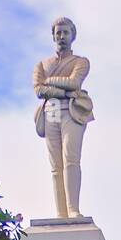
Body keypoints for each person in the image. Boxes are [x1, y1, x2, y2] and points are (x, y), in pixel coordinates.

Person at [33, 16, 94, 219]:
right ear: (53, 36)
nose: (61, 36)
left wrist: (50, 83)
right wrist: (61, 89)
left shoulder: (81, 62)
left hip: (71, 110)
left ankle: (73, 208)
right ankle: (61, 213)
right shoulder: (42, 64)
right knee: (56, 165)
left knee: (71, 159)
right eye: (58, 33)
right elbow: (39, 90)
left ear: (72, 35)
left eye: (65, 32)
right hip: (52, 110)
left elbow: (75, 83)